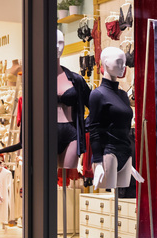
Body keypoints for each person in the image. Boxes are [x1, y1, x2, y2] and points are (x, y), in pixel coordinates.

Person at [87, 46, 143, 189]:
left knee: (121, 196)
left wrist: (131, 165)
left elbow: (124, 127)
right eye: (119, 61)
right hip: (108, 153)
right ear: (105, 62)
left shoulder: (123, 95)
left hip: (126, 153)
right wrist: (98, 162)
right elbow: (94, 129)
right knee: (113, 200)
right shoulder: (97, 94)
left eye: (124, 62)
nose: (123, 66)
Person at [57, 29, 91, 169]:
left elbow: (93, 106)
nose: (58, 47)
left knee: (66, 177)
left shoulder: (76, 80)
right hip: (46, 133)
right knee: (46, 177)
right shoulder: (37, 79)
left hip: (71, 132)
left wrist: (84, 126)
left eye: (61, 43)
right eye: (54, 43)